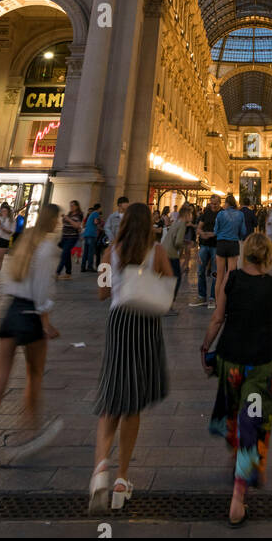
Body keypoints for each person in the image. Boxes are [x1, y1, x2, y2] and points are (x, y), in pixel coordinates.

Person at [89, 202, 172, 513]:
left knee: (113, 393)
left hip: (119, 321)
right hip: (145, 323)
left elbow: (100, 292)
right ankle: (122, 480)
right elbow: (168, 285)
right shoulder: (157, 251)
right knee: (133, 400)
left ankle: (100, 472)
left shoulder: (111, 251)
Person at [0, 203, 63, 477]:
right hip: (31, 315)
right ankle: (31, 430)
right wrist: (47, 324)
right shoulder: (48, 249)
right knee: (34, 376)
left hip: (10, 311)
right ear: (53, 222)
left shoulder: (24, 242)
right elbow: (43, 290)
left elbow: (11, 281)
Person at [202, 231, 272, 527]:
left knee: (236, 417)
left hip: (229, 361)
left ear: (244, 252)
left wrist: (205, 347)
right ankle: (239, 495)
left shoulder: (231, 279)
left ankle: (243, 459)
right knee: (253, 422)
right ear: (267, 255)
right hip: (259, 365)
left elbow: (217, 318)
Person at [190, 193, 220, 308]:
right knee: (200, 271)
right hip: (204, 246)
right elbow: (199, 228)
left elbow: (222, 230)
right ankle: (202, 296)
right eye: (212, 204)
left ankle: (213, 298)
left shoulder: (221, 214)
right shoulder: (206, 213)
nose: (213, 206)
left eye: (215, 204)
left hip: (216, 246)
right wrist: (202, 233)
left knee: (215, 272)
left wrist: (212, 234)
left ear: (219, 203)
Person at [213, 193, 246, 298]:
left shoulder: (220, 214)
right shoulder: (240, 214)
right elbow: (243, 232)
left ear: (226, 203)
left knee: (219, 276)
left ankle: (218, 302)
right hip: (233, 244)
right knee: (230, 275)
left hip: (221, 244)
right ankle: (228, 300)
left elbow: (215, 230)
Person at [162, 203, 190, 311]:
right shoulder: (182, 224)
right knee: (176, 279)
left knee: (168, 278)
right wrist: (185, 245)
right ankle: (169, 305)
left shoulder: (176, 222)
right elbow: (177, 242)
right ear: (186, 215)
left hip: (165, 251)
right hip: (172, 254)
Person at [56, 200, 84, 279]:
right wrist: (64, 218)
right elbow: (65, 223)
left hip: (72, 237)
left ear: (77, 206)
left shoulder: (79, 214)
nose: (71, 207)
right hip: (64, 236)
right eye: (70, 205)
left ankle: (57, 272)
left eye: (72, 205)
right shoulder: (69, 214)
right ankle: (68, 273)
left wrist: (67, 219)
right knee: (67, 254)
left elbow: (76, 226)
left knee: (64, 254)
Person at [81, 206, 100, 273]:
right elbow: (95, 222)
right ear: (98, 208)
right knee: (90, 252)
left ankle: (83, 267)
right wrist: (99, 223)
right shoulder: (96, 213)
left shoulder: (90, 215)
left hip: (86, 234)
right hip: (91, 234)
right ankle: (90, 267)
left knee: (85, 252)